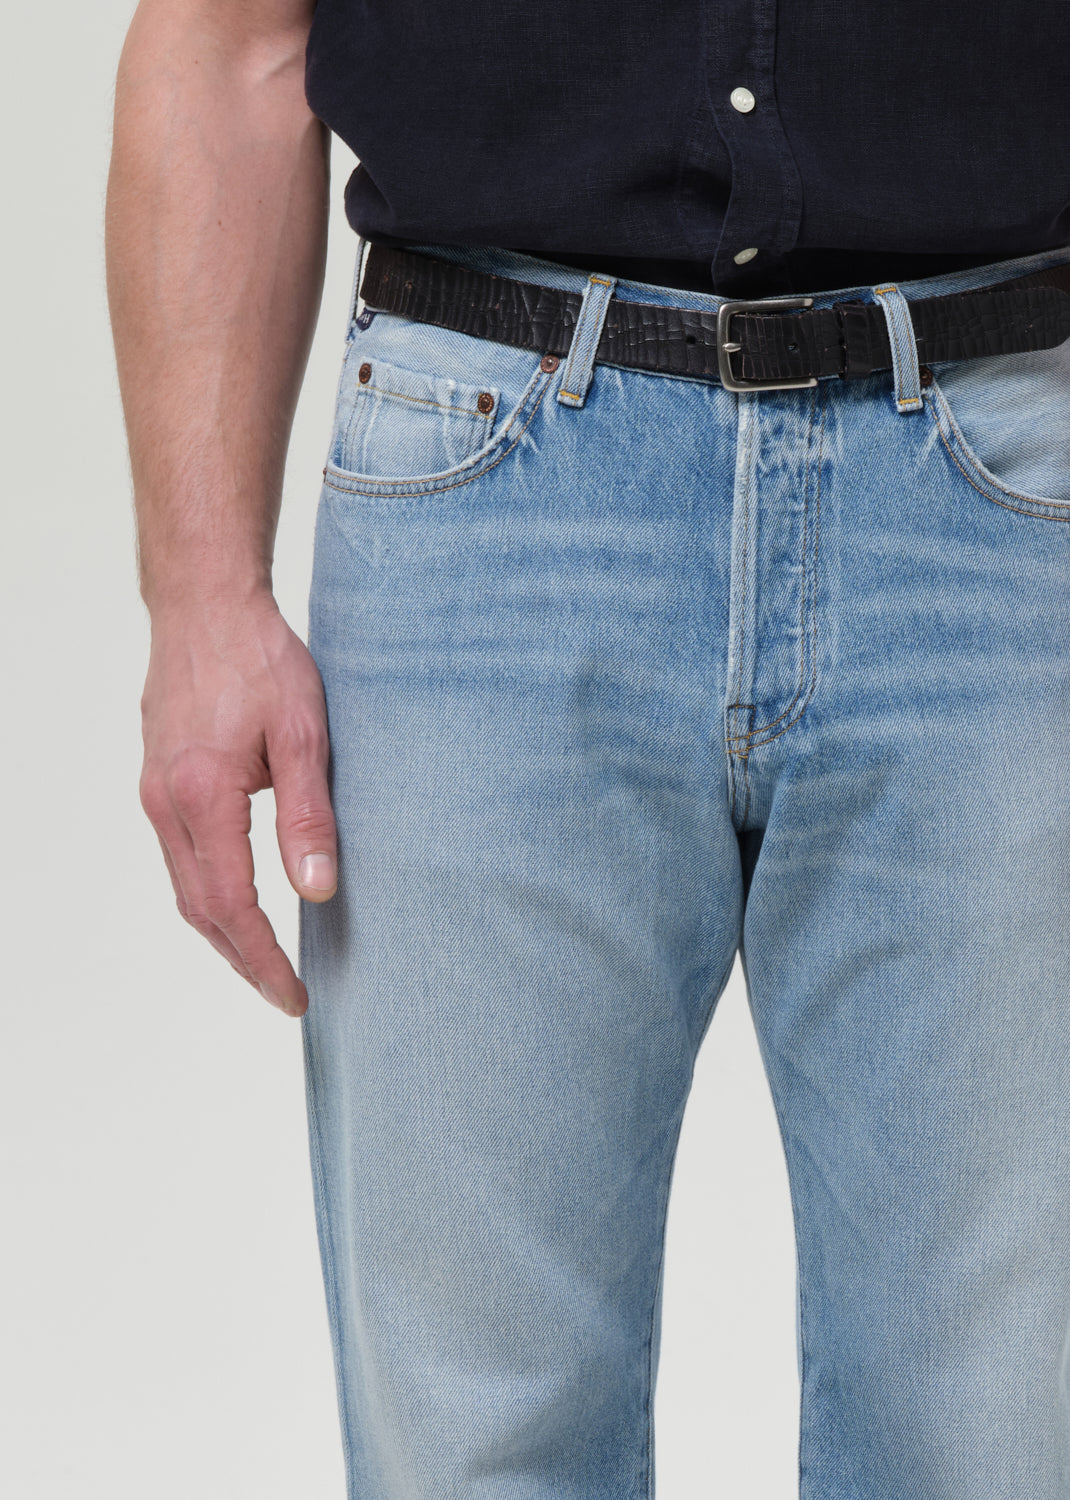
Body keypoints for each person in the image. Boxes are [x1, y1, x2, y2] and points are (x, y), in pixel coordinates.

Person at [105, 2, 1070, 1495]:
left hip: (1000, 483)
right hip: (489, 484)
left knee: (1002, 1442)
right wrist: (199, 595)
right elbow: (232, 41)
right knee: (475, 1451)